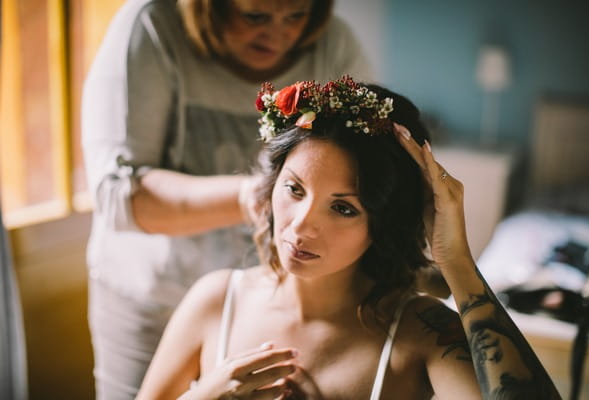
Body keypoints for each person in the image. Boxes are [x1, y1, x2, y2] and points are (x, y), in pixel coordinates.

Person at [136, 76, 561, 399]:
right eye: (295, 189)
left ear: (383, 224)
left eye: (343, 208)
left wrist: (458, 262)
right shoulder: (214, 301)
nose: (301, 226)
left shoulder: (420, 333)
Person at [81, 0, 373, 398]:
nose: (279, 34)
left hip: (263, 301)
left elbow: (365, 156)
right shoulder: (151, 26)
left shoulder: (334, 43)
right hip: (151, 295)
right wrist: (253, 195)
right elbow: (116, 193)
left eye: (296, 15)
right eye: (254, 16)